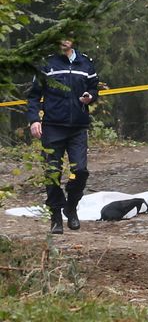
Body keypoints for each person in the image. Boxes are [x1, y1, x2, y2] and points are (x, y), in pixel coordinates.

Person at [26, 38, 99, 234]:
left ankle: (71, 205)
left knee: (80, 171)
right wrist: (34, 120)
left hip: (78, 127)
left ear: (73, 40)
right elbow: (33, 96)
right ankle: (56, 215)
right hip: (52, 127)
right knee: (52, 172)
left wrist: (90, 96)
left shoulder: (86, 63)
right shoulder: (47, 64)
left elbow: (94, 88)